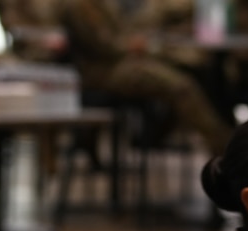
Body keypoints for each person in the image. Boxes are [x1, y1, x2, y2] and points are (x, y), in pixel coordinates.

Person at [57, 0, 234, 156]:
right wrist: (134, 46)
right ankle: (224, 146)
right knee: (180, 86)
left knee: (192, 68)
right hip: (101, 71)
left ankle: (221, 141)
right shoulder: (81, 4)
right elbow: (104, 46)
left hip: (116, 62)